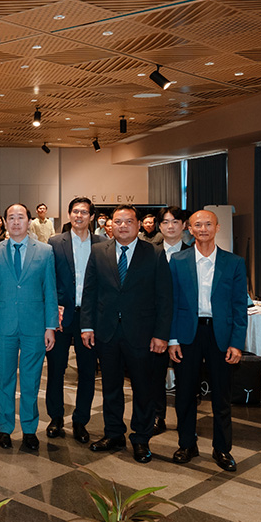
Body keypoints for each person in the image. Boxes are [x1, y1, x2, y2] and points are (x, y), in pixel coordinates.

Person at [81, 204, 172, 463]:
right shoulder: (99, 251)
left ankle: (141, 439)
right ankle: (114, 433)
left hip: (142, 334)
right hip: (106, 332)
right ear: (111, 224)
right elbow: (90, 291)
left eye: (128, 221)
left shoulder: (154, 254)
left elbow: (165, 298)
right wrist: (87, 326)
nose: (123, 226)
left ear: (138, 224)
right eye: (118, 221)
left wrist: (161, 335)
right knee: (110, 386)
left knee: (143, 388)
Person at [169, 210, 247, 472]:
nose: (203, 229)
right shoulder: (178, 261)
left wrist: (237, 343)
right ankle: (187, 444)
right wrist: (172, 339)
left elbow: (239, 306)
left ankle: (222, 449)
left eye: (208, 224)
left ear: (217, 227)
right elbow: (172, 303)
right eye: (197, 225)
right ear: (189, 229)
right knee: (185, 394)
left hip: (220, 335)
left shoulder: (234, 263)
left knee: (222, 397)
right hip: (188, 334)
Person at [0, 204, 58, 450]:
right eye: (11, 218)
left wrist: (51, 326)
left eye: (20, 217)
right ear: (4, 222)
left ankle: (29, 429)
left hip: (34, 326)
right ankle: (4, 428)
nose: (16, 222)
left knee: (31, 381)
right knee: (4, 379)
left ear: (29, 221)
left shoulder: (46, 251)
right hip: (4, 325)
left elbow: (50, 291)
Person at [46, 197, 103, 444]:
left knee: (87, 371)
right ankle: (56, 418)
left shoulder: (103, 244)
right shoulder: (54, 243)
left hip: (89, 317)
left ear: (91, 216)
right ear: (69, 215)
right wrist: (50, 315)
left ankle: (81, 421)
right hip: (60, 316)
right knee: (56, 369)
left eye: (84, 212)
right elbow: (48, 282)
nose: (79, 215)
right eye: (75, 211)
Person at [151, 205, 193, 434]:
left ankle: (187, 423)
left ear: (184, 225)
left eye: (175, 222)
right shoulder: (149, 251)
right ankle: (158, 416)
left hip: (184, 325)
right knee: (155, 375)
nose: (170, 226)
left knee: (186, 378)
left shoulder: (194, 252)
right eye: (165, 222)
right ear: (159, 226)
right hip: (156, 325)